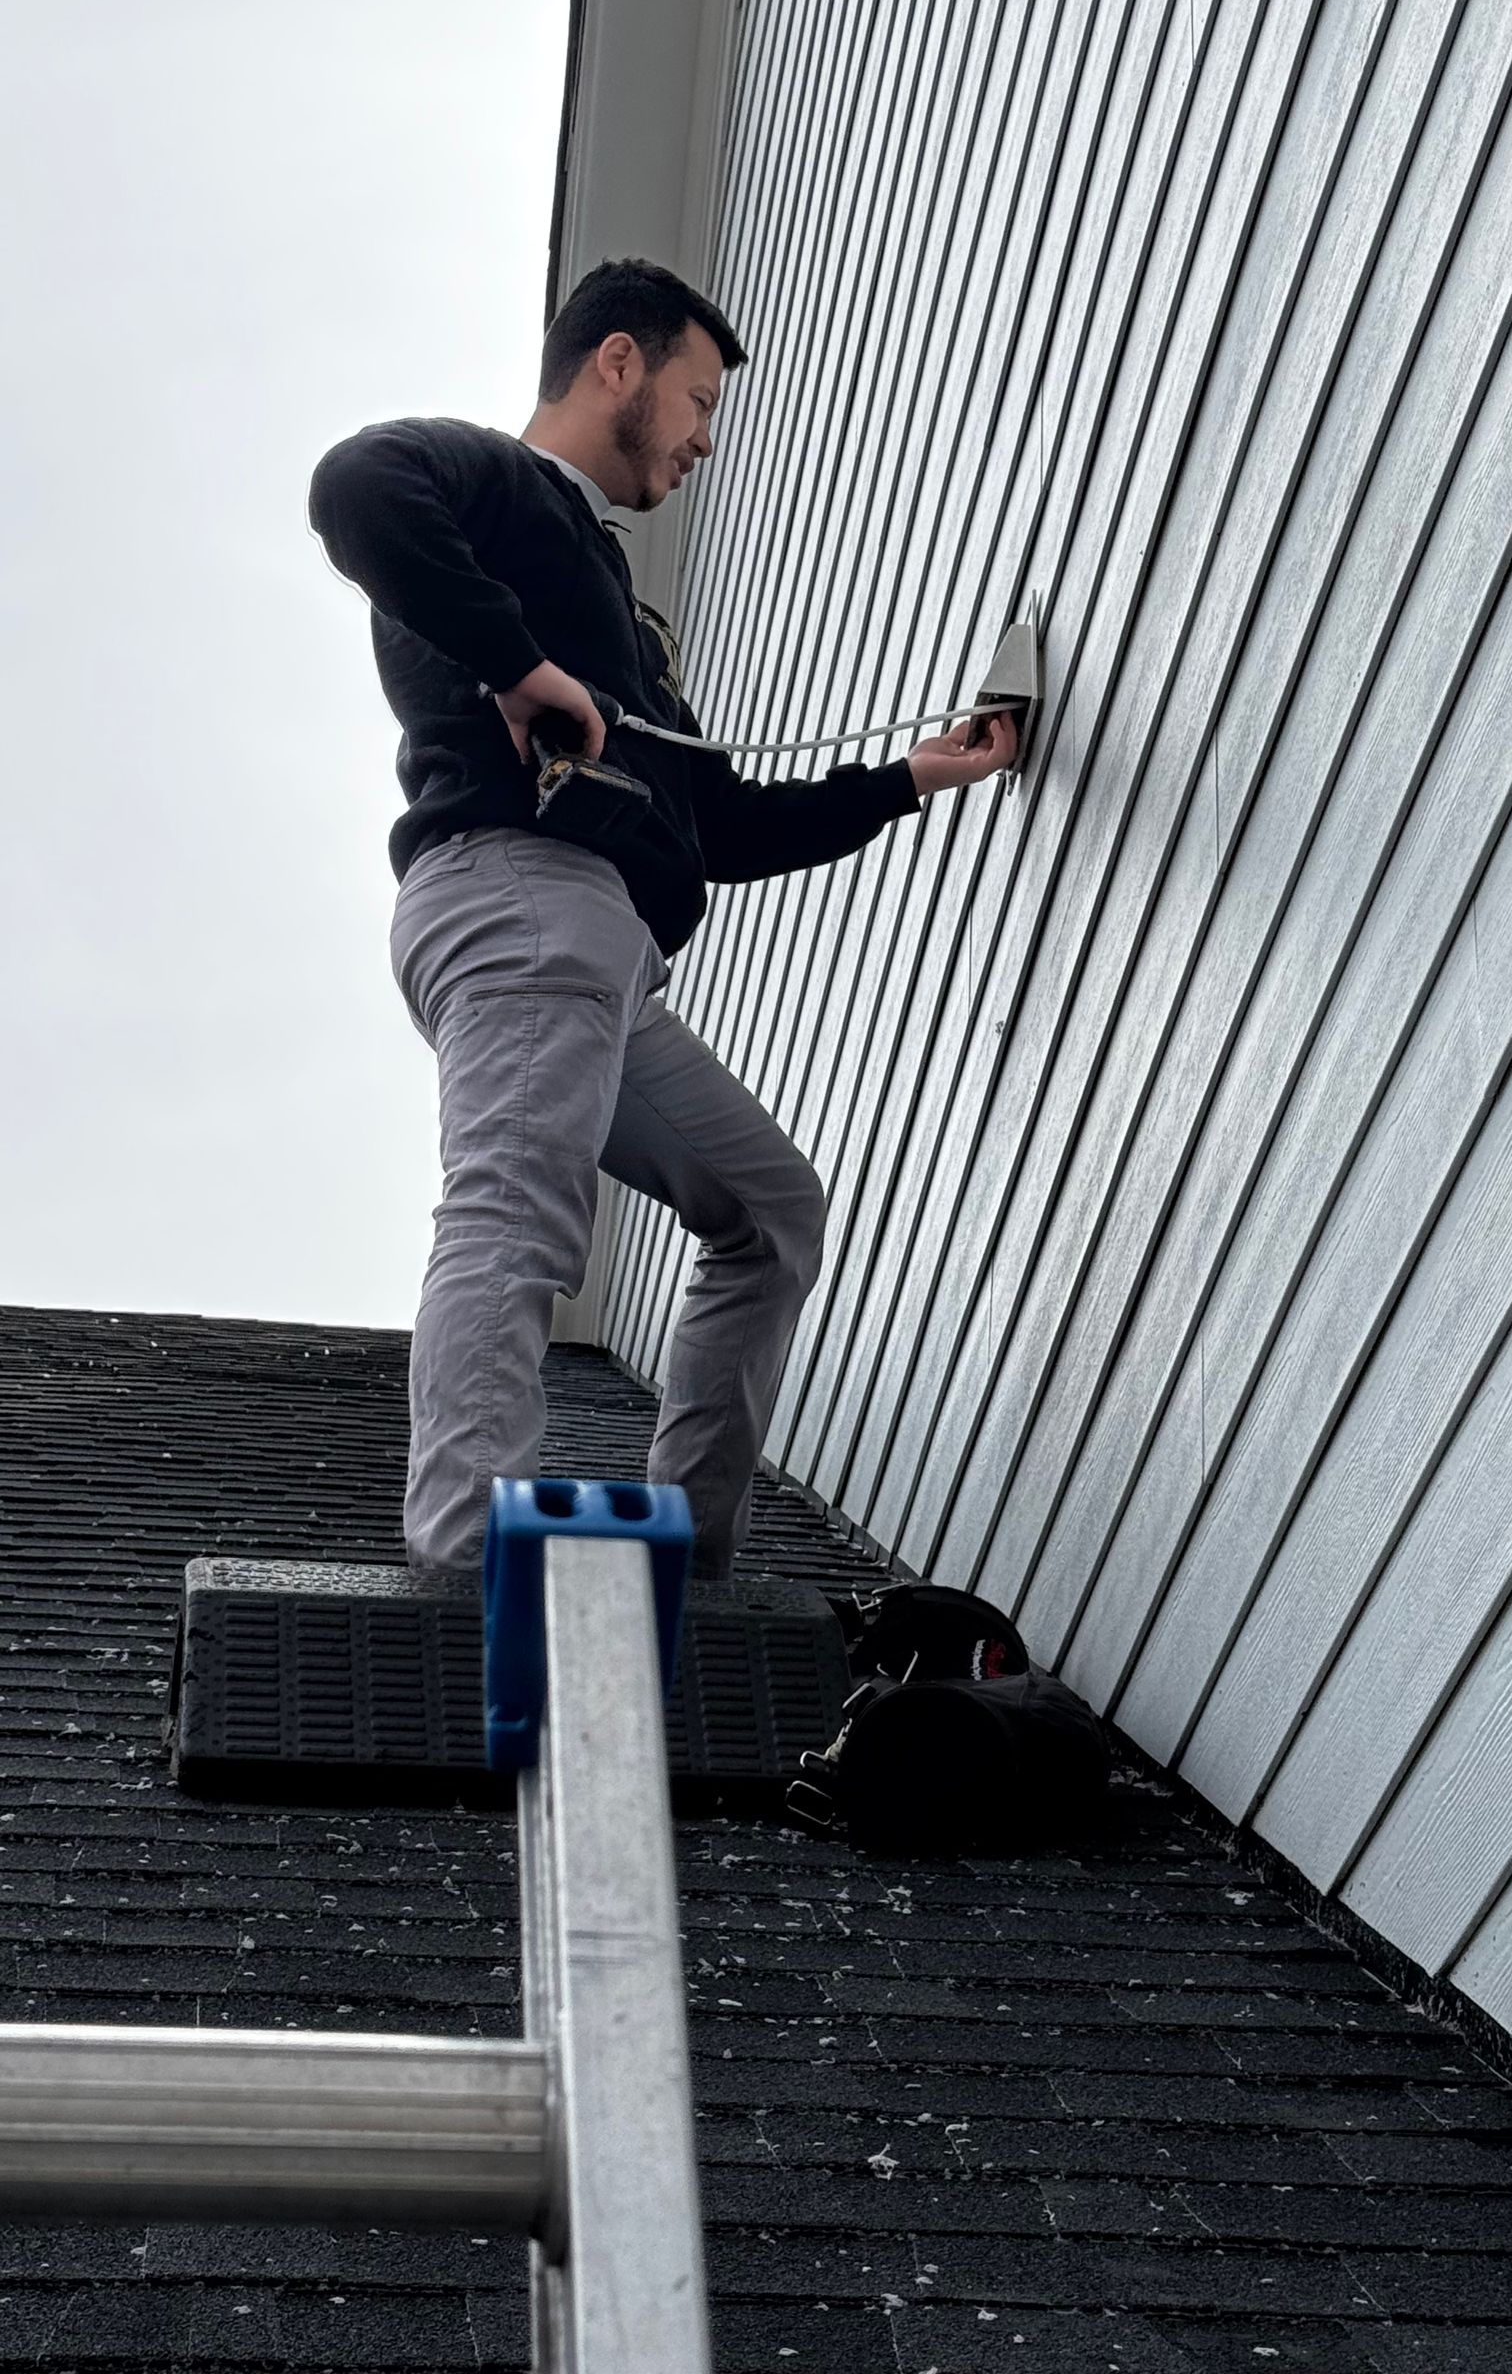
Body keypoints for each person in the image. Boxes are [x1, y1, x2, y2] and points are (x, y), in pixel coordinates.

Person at [309, 256, 1016, 1585]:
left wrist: (914, 778)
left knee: (772, 1209)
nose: (702, 441)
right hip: (522, 896)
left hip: (599, 955)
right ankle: (466, 1567)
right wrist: (520, 669)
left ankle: (678, 1569)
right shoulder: (494, 481)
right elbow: (353, 486)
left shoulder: (613, 615)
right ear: (618, 363)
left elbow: (723, 828)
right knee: (518, 1207)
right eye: (698, 402)